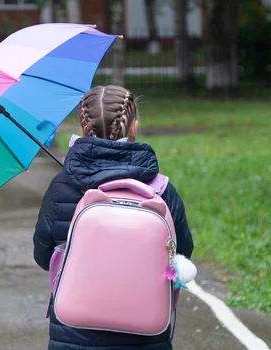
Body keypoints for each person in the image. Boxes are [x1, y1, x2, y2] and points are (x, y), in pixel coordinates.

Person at [33, 85, 194, 350]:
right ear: (134, 127)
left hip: (74, 335)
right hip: (146, 336)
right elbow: (183, 253)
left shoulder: (61, 188)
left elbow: (43, 256)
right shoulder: (162, 190)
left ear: (84, 130)